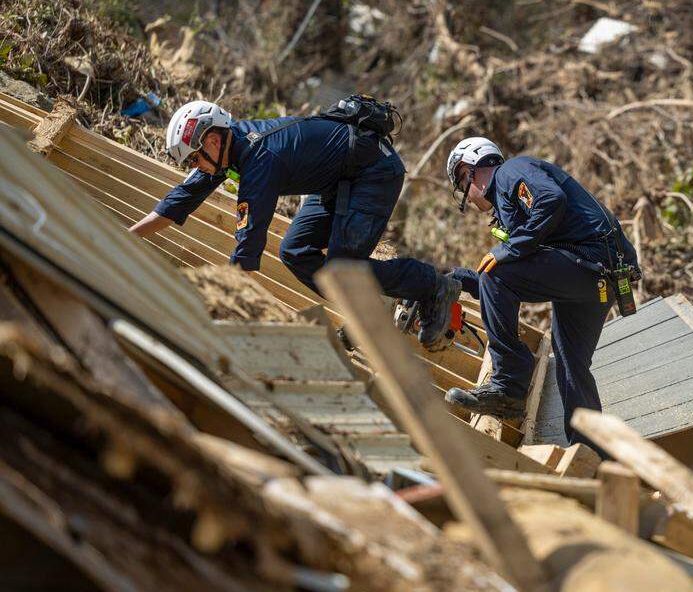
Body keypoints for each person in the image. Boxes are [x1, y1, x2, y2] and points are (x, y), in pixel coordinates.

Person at [130, 99, 460, 347]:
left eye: (195, 158)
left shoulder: (260, 162)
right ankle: (367, 307)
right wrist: (125, 239)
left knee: (342, 270)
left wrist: (213, 311)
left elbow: (245, 256)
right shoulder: (229, 149)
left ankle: (432, 285)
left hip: (373, 174)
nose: (197, 167)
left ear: (213, 141)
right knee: (295, 249)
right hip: (337, 180)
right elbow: (178, 201)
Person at [442, 136, 640, 450]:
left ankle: (508, 386)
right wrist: (458, 279)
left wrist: (509, 248)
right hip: (598, 278)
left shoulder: (510, 172)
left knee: (498, 273)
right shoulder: (512, 200)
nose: (468, 197)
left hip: (591, 264)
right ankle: (590, 453)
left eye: (461, 183)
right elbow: (514, 282)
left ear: (470, 170)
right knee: (571, 363)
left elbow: (551, 199)